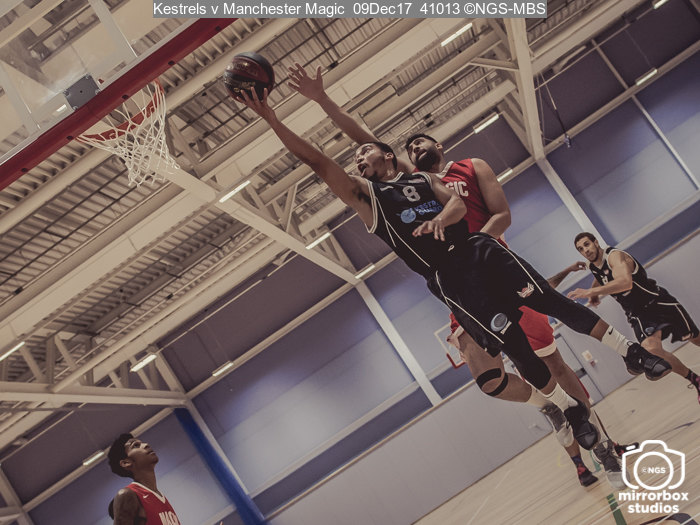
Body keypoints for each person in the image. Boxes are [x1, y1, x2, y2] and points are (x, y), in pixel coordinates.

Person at [236, 87, 670, 466]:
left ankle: (612, 409)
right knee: (502, 364)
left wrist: (452, 225)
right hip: (453, 279)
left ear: (421, 149)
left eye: (420, 140)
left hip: (484, 253)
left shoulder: (454, 172)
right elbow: (330, 154)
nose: (358, 158)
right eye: (408, 145)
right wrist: (294, 110)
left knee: (553, 334)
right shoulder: (376, 192)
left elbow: (484, 211)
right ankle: (559, 410)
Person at [567, 232, 700, 403]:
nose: (585, 250)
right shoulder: (593, 266)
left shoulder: (615, 256)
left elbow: (625, 282)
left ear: (596, 242)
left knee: (696, 339)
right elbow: (600, 275)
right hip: (638, 314)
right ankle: (695, 379)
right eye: (580, 249)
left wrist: (591, 292)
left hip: (658, 302)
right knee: (651, 349)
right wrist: (594, 295)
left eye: (587, 244)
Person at [107, 433, 182, 525]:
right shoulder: (127, 495)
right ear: (126, 463)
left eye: (142, 443)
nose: (146, 444)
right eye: (135, 445)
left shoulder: (160, 497)